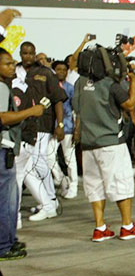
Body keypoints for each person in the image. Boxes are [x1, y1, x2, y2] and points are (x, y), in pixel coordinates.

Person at [73, 63, 135, 241]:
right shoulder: (109, 84)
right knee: (120, 182)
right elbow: (129, 104)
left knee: (94, 185)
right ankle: (127, 226)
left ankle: (100, 228)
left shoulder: (80, 82)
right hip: (111, 142)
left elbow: (77, 109)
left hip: (88, 143)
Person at [1, 45, 47, 261]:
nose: (13, 67)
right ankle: (4, 245)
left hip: (9, 149)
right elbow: (2, 117)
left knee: (11, 198)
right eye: (8, 64)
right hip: (3, 150)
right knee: (6, 200)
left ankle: (9, 240)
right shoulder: (1, 87)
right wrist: (31, 112)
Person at [16, 41, 66, 222]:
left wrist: (60, 125)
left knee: (38, 162)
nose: (27, 56)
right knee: (31, 164)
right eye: (24, 53)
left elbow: (58, 100)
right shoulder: (15, 71)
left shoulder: (46, 73)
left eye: (30, 53)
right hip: (21, 126)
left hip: (42, 124)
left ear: (35, 53)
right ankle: (45, 199)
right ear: (20, 54)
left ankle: (51, 199)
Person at [47, 60, 78, 199]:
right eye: (58, 69)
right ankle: (60, 178)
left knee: (69, 159)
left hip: (68, 127)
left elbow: (76, 110)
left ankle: (74, 186)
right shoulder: (49, 87)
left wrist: (77, 128)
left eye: (64, 70)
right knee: (48, 156)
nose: (61, 72)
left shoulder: (70, 88)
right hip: (51, 128)